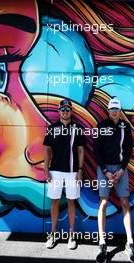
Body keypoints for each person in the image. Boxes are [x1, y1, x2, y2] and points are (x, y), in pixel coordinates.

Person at [94, 97, 134, 263]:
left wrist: (121, 170)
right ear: (108, 110)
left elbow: (128, 150)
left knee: (125, 202)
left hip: (120, 169)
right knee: (103, 203)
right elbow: (96, 150)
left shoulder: (125, 126)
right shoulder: (101, 126)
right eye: (111, 109)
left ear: (120, 111)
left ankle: (130, 243)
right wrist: (105, 171)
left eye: (116, 109)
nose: (114, 112)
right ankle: (102, 242)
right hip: (104, 170)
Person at [43, 99, 85, 250]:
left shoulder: (78, 128)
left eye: (68, 110)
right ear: (59, 111)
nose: (65, 112)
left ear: (71, 111)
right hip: (55, 171)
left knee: (71, 202)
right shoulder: (52, 128)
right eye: (63, 110)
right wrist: (46, 170)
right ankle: (53, 234)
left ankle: (71, 235)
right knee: (54, 202)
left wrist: (80, 170)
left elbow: (80, 150)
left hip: (73, 172)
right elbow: (47, 150)